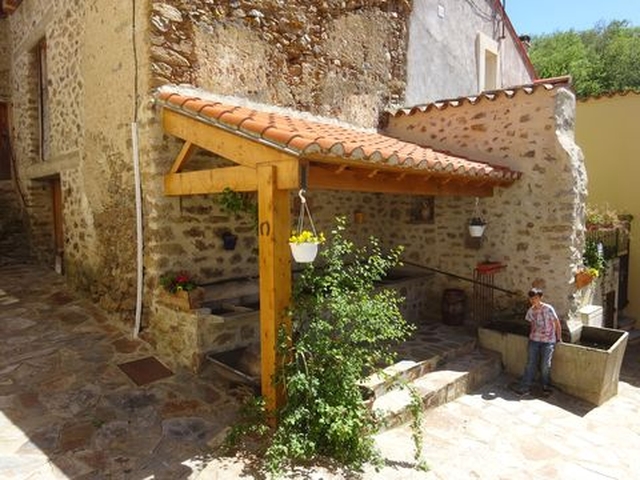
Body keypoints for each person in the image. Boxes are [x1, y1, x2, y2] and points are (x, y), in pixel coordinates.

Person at [511, 288, 563, 396]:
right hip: (534, 340)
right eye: (531, 299)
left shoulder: (548, 309)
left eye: (535, 298)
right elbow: (532, 325)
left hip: (548, 341)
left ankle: (545, 385)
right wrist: (531, 337)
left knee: (545, 365)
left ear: (540, 298)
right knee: (530, 363)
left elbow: (557, 323)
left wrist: (559, 338)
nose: (533, 301)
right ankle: (525, 386)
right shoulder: (530, 311)